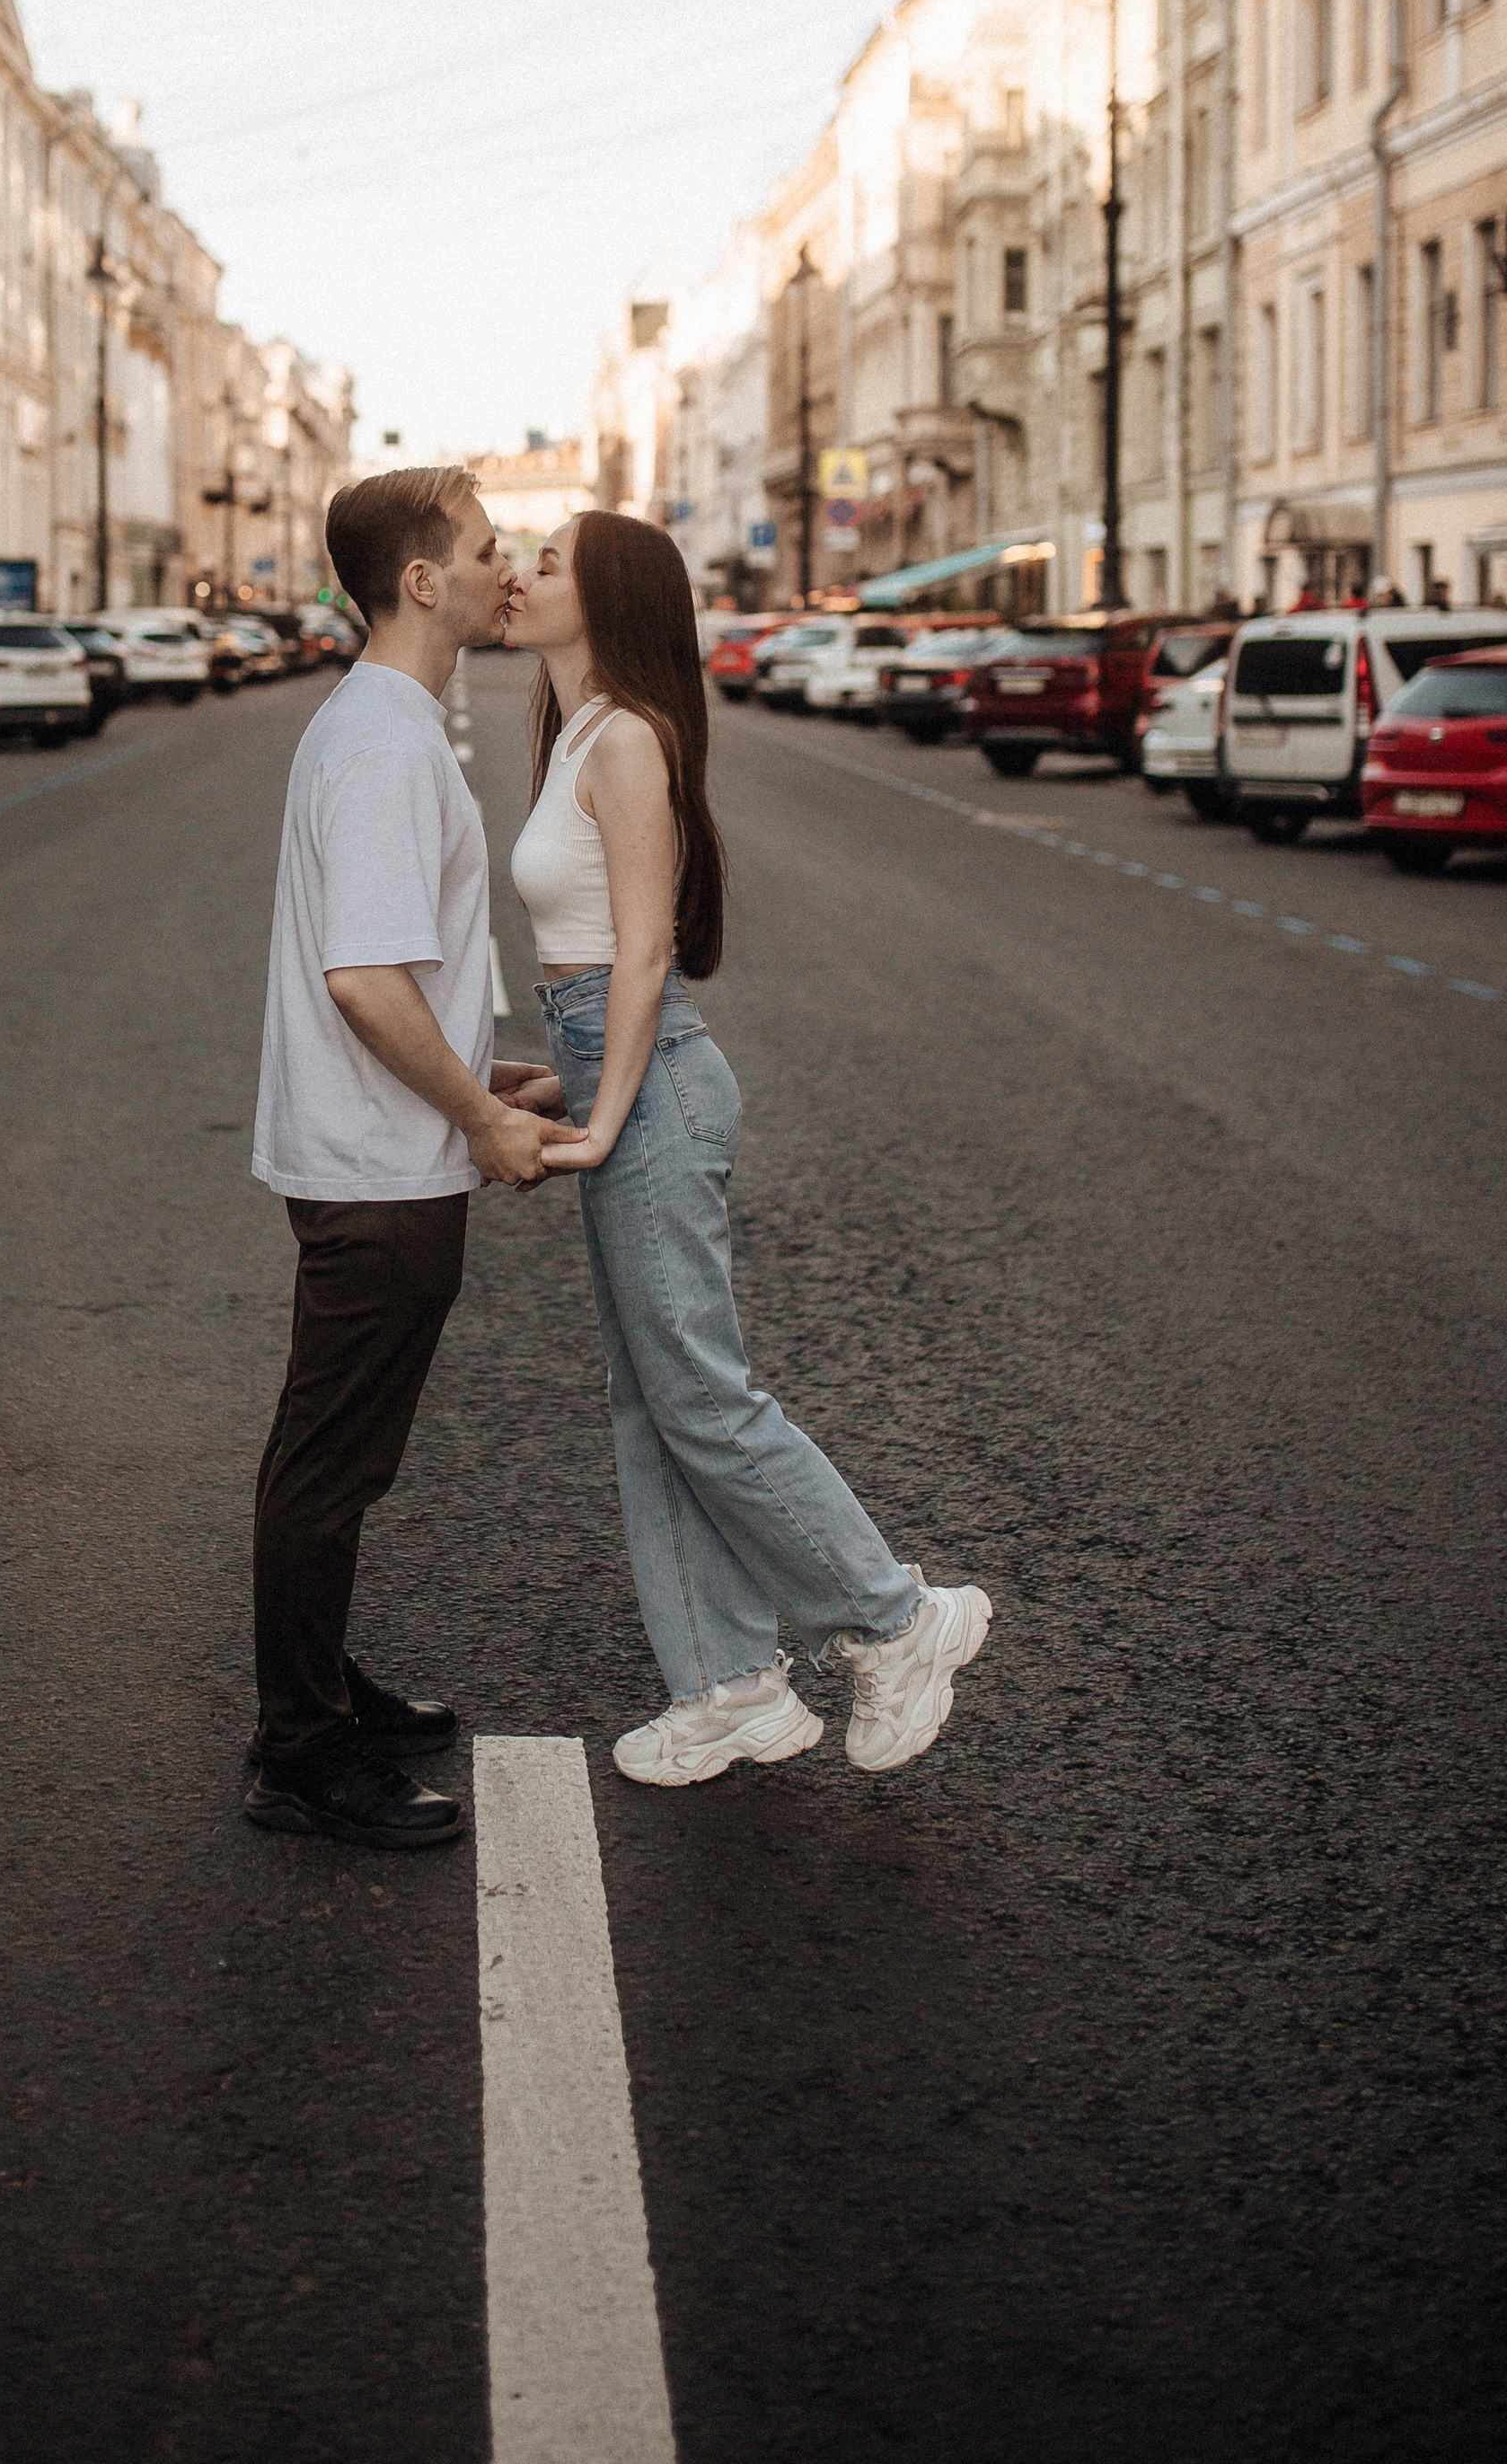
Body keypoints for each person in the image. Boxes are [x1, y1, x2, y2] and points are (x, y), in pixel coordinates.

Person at [504, 510, 991, 1790]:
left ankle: (897, 1619)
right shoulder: (575, 738)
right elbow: (599, 968)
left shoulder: (627, 743)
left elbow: (648, 954)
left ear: (606, 602)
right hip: (622, 1068)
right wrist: (564, 1075)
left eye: (545, 561)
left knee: (704, 1397)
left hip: (654, 1092)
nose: (516, 573)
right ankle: (726, 1688)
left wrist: (605, 1113)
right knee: (651, 1400)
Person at [246, 466, 568, 1850]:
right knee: (328, 1470)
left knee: (340, 1461)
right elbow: (367, 982)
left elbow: (399, 989)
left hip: (384, 1144)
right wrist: (483, 1120)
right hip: (378, 1174)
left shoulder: (386, 726)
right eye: (490, 552)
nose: (511, 571)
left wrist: (479, 1077)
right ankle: (300, 1749)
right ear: (422, 580)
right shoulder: (384, 745)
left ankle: (318, 1690)